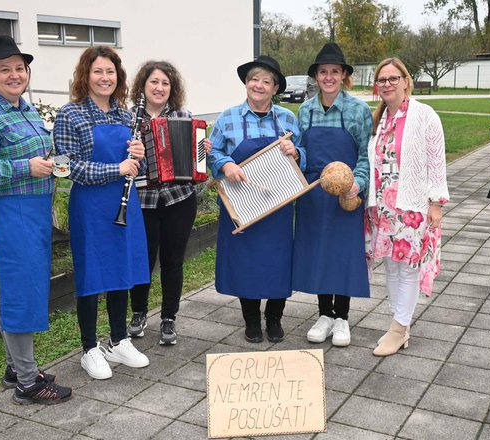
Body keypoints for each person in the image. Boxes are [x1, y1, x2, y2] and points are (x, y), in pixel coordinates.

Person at [0, 35, 71, 404]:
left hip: (30, 216)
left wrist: (51, 162)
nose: (14, 74)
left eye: (19, 68)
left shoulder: (25, 110)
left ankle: (14, 368)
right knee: (22, 294)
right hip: (6, 218)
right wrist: (27, 167)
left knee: (18, 291)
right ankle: (27, 383)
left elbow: (36, 156)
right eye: (4, 69)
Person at [53, 46, 150, 380]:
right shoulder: (70, 114)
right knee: (92, 274)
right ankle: (89, 348)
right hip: (90, 207)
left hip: (125, 205)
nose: (105, 78)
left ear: (117, 77)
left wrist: (139, 156)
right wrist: (117, 168)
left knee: (122, 269)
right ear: (85, 75)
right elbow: (65, 168)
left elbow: (140, 166)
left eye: (110, 72)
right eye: (98, 72)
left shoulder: (126, 116)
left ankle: (119, 340)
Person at [209, 56, 304, 343]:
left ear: (275, 88)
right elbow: (210, 153)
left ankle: (274, 319)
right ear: (246, 83)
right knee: (245, 264)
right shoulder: (227, 118)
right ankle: (251, 320)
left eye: (266, 81)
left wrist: (296, 152)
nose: (258, 85)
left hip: (278, 206)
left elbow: (303, 155)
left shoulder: (288, 119)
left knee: (278, 264)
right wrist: (225, 164)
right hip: (241, 204)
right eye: (254, 79)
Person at [365, 58, 449, 356]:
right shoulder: (378, 120)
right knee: (390, 264)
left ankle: (399, 328)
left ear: (405, 80)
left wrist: (436, 204)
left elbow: (437, 162)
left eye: (392, 78)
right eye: (382, 80)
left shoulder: (424, 115)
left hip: (412, 205)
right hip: (383, 208)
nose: (387, 84)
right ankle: (398, 324)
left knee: (408, 267)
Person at [126, 61, 212, 345]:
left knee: (173, 262)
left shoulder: (183, 115)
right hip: (143, 202)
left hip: (179, 199)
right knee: (143, 261)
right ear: (143, 86)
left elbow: (197, 162)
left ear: (171, 88)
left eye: (165, 83)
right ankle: (138, 313)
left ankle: (168, 318)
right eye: (154, 82)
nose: (159, 87)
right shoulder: (129, 120)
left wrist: (202, 152)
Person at [293, 42, 372, 347]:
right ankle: (324, 314)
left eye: (334, 72)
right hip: (313, 194)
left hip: (346, 194)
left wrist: (358, 184)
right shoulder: (306, 111)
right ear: (316, 76)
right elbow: (300, 153)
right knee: (319, 252)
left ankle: (342, 319)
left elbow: (366, 155)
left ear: (343, 76)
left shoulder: (358, 110)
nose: (328, 77)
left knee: (343, 254)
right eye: (323, 72)